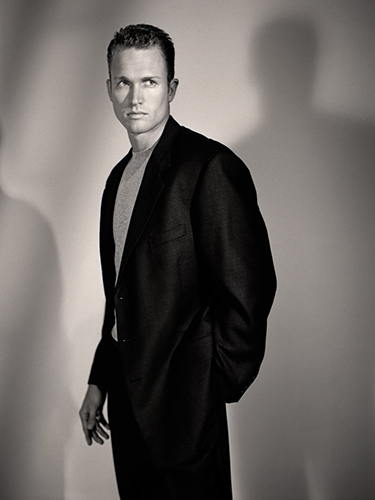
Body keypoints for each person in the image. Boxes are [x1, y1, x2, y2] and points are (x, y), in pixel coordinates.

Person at [79, 24, 276, 500]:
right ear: (108, 88)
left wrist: (209, 385)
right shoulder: (116, 179)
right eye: (123, 82)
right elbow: (120, 294)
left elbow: (250, 288)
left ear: (171, 88)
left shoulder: (209, 168)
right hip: (126, 401)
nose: (135, 97)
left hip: (185, 406)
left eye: (149, 82)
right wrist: (98, 380)